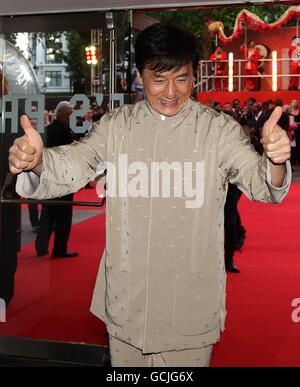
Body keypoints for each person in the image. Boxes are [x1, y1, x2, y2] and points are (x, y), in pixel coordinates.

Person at [9, 23, 291, 367]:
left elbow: (262, 184)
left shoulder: (218, 131)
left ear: (195, 76)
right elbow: (72, 164)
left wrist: (275, 159)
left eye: (182, 78)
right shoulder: (117, 126)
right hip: (128, 302)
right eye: (159, 79)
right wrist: (37, 161)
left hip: (190, 307)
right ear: (140, 77)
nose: (171, 91)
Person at [34, 101, 79, 258]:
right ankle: (59, 249)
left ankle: (40, 247)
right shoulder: (65, 132)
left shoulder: (48, 130)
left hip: (49, 178)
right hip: (63, 179)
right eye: (71, 114)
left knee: (48, 214)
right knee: (63, 217)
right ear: (66, 115)